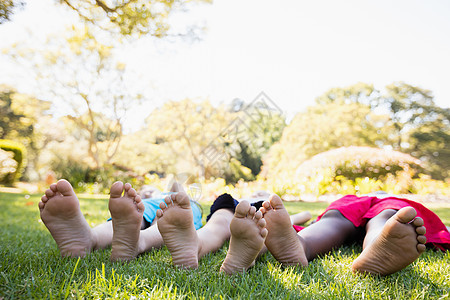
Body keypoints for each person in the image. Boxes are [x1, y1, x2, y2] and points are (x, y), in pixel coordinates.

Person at [38, 179, 309, 269]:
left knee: (231, 226)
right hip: (203, 209)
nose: (262, 194)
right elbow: (304, 217)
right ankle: (90, 239)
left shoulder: (265, 204)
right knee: (214, 225)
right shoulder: (173, 199)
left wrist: (286, 218)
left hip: (241, 214)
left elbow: (301, 217)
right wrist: (149, 193)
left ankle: (99, 239)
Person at [258, 192, 450, 276]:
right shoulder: (389, 196)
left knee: (334, 221)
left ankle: (302, 245)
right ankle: (377, 246)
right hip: (388, 204)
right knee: (384, 220)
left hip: (351, 203)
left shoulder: (355, 197)